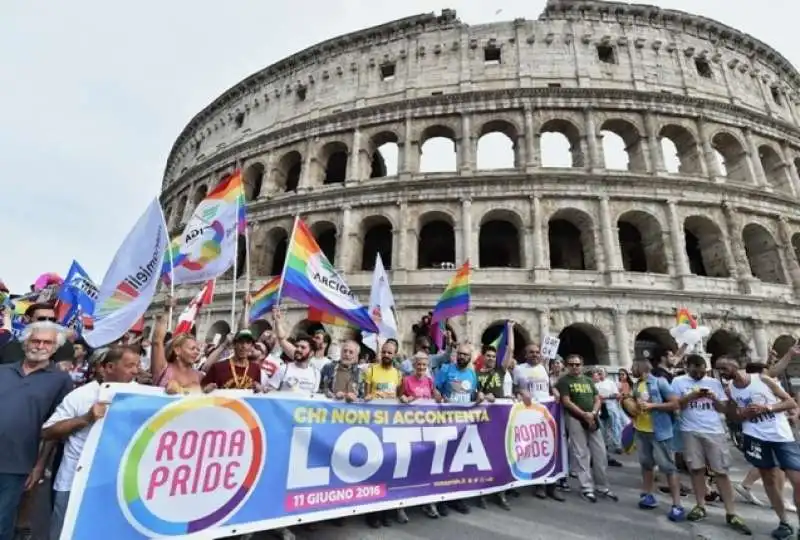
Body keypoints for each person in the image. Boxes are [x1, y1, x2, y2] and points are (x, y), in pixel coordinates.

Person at [42, 346, 140, 540]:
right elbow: (47, 432)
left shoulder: (141, 395)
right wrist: (85, 419)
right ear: (109, 367)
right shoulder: (81, 396)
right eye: (130, 366)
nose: (136, 371)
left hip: (116, 485)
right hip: (74, 483)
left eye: (137, 365)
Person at [0, 322, 73, 540]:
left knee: (1, 521)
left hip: (17, 464)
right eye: (35, 340)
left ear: (54, 347)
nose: (40, 346)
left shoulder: (61, 381)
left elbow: (55, 429)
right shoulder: (2, 371)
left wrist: (40, 466)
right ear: (25, 343)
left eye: (47, 342)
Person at [717, 353, 800, 540]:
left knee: (797, 480)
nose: (721, 372)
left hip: (781, 436)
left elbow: (790, 402)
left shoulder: (763, 380)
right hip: (755, 438)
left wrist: (767, 408)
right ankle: (784, 522)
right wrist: (742, 413)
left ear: (737, 366)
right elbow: (734, 416)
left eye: (724, 367)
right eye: (718, 369)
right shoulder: (729, 389)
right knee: (769, 480)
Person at [671, 354, 750, 534]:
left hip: (714, 431)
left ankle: (731, 512)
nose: (699, 374)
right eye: (695, 370)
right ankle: (700, 505)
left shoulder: (714, 383)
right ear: (687, 366)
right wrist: (692, 395)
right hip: (690, 430)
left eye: (702, 370)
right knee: (696, 469)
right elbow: (676, 405)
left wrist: (714, 398)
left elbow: (723, 409)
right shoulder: (678, 382)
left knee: (721, 471)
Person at [629, 358, 684, 521]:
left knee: (668, 467)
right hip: (641, 430)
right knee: (646, 465)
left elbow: (675, 404)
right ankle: (648, 495)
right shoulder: (637, 384)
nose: (631, 370)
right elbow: (635, 404)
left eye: (633, 367)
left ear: (642, 367)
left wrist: (653, 406)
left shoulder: (660, 382)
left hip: (659, 431)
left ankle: (677, 504)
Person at [557, 355, 618, 503]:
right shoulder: (564, 381)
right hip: (575, 418)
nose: (574, 367)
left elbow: (597, 398)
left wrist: (593, 413)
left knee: (600, 452)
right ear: (567, 366)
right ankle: (587, 487)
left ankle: (602, 486)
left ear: (582, 365)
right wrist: (583, 414)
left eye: (577, 364)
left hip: (592, 417)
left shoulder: (589, 380)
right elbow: (566, 401)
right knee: (581, 453)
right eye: (571, 364)